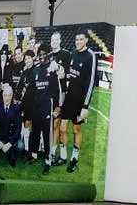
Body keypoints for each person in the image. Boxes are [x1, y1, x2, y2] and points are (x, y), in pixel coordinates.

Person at [58, 28, 97, 173]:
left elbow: (91, 81)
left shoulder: (90, 56)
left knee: (76, 129)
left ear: (86, 40)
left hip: (80, 102)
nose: (78, 42)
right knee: (62, 128)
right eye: (76, 40)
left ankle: (74, 159)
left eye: (81, 39)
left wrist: (85, 106)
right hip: (68, 99)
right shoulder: (72, 54)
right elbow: (68, 74)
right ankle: (62, 156)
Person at [24, 44, 60, 175]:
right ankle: (33, 155)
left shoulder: (51, 69)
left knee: (46, 135)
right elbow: (31, 89)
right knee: (35, 132)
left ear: (47, 54)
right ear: (38, 56)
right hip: (36, 107)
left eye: (44, 54)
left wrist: (57, 106)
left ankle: (48, 161)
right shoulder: (36, 69)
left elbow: (57, 90)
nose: (42, 57)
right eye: (40, 55)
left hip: (47, 108)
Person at [49, 30, 71, 166]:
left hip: (63, 95)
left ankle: (63, 156)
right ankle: (52, 153)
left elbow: (67, 75)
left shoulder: (66, 54)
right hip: (51, 95)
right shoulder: (49, 55)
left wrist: (61, 70)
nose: (54, 42)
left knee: (62, 127)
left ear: (60, 41)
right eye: (52, 40)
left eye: (56, 39)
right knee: (54, 125)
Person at [0, 85, 21, 167]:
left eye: (9, 95)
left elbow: (18, 129)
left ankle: (11, 156)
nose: (7, 98)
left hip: (10, 137)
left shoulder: (16, 108)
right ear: (2, 95)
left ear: (12, 96)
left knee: (20, 146)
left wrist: (9, 144)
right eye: (5, 95)